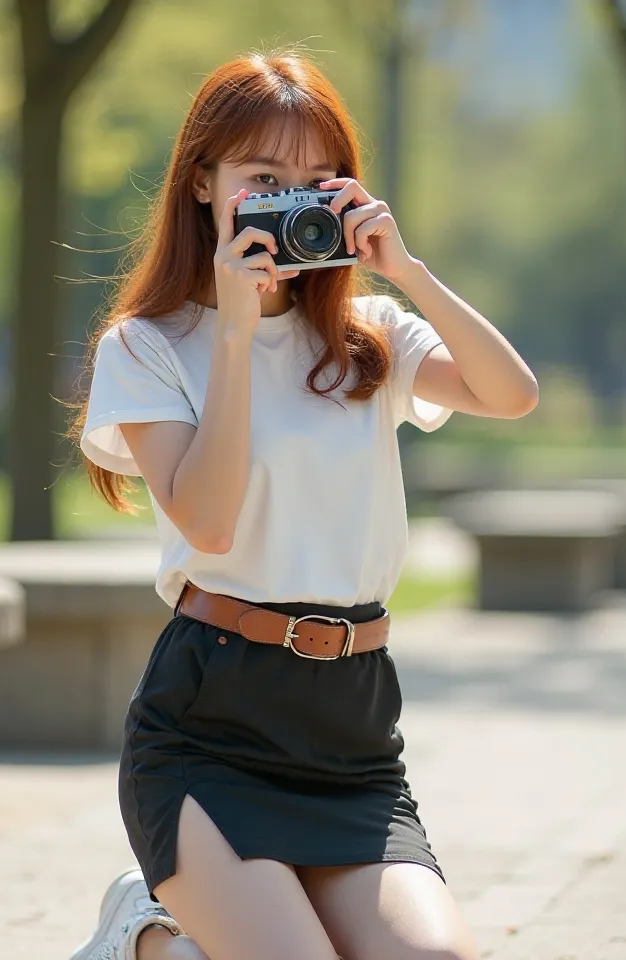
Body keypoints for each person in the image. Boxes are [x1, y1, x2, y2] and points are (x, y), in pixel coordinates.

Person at [67, 46, 538, 960]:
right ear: (203, 184)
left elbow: (512, 394)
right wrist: (236, 334)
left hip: (352, 727)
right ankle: (156, 928)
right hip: (209, 724)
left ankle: (187, 928)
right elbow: (206, 522)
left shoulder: (366, 338)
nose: (293, 202)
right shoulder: (149, 347)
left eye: (318, 181)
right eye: (263, 178)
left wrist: (407, 271)